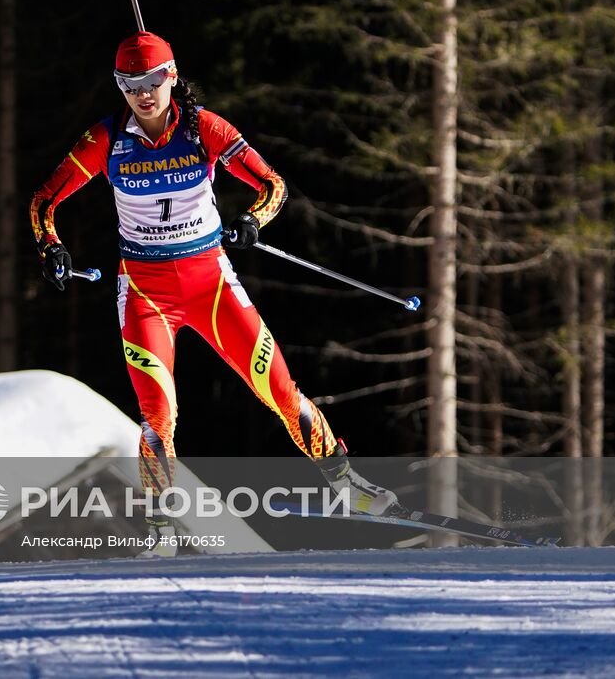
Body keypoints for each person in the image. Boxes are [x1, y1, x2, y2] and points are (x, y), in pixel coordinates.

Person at [29, 31, 395, 557]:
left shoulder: (204, 129)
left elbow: (273, 185)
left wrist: (252, 220)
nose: (144, 93)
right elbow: (45, 200)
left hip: (212, 284)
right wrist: (52, 250)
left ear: (172, 76)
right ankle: (159, 527)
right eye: (130, 84)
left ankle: (346, 484)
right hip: (145, 293)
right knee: (158, 413)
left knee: (281, 391)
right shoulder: (107, 139)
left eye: (153, 80)